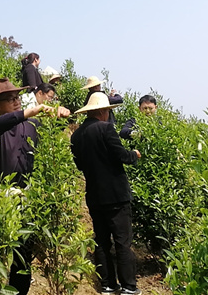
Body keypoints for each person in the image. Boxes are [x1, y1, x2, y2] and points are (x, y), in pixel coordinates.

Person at [0, 77, 68, 295]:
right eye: (10, 99)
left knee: (22, 252)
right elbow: (2, 122)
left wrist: (61, 116)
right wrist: (34, 110)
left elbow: (50, 135)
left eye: (17, 97)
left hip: (26, 196)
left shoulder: (32, 125)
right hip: (0, 195)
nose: (16, 101)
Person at [70, 92, 141, 295]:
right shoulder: (106, 129)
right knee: (122, 242)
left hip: (94, 194)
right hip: (116, 195)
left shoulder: (76, 135)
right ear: (102, 111)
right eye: (108, 111)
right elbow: (121, 155)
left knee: (101, 241)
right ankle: (129, 286)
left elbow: (79, 165)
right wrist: (134, 155)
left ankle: (108, 285)